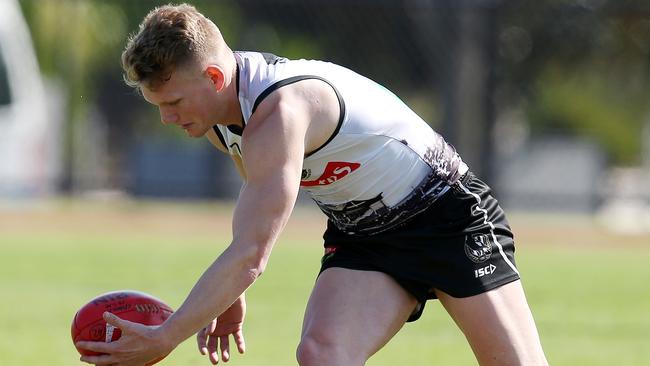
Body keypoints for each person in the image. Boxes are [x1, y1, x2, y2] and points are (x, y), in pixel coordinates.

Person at [76, 3, 549, 366]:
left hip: (449, 218)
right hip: (364, 237)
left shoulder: (279, 112)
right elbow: (252, 210)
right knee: (322, 354)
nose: (166, 117)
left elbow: (253, 255)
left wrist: (166, 336)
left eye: (174, 100)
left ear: (215, 76)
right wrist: (230, 294)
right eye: (157, 104)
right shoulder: (222, 120)